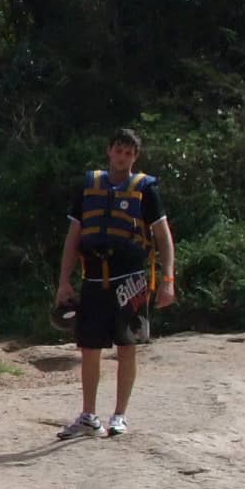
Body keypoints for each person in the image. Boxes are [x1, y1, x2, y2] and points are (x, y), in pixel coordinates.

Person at [52, 129, 174, 441]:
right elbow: (73, 238)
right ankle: (88, 416)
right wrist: (64, 281)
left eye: (129, 153)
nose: (122, 157)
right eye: (118, 151)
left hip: (131, 279)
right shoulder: (89, 186)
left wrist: (167, 280)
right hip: (92, 277)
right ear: (109, 151)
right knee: (89, 348)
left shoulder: (146, 190)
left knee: (127, 346)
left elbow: (163, 237)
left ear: (136, 157)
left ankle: (119, 415)